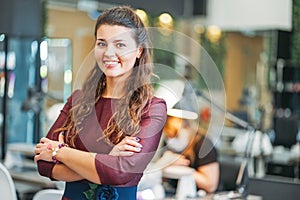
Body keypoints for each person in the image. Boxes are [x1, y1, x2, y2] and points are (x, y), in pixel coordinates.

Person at [34, 6, 167, 200]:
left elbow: (122, 172)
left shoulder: (153, 107)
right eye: (102, 43)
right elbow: (43, 165)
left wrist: (59, 151)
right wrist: (108, 157)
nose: (108, 53)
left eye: (120, 44)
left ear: (139, 51)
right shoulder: (77, 101)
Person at [157, 114, 219, 194]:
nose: (171, 139)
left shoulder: (203, 145)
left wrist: (184, 171)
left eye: (175, 135)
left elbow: (210, 186)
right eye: (169, 135)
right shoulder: (169, 144)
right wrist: (165, 164)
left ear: (187, 128)